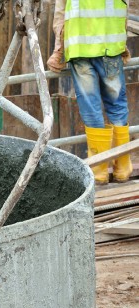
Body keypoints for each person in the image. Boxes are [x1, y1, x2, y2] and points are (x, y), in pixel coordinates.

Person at [47, 0, 131, 185]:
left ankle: (99, 171)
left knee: (91, 108)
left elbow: (61, 16)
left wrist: (58, 51)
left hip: (81, 51)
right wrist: (122, 46)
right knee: (117, 106)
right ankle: (123, 168)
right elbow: (123, 11)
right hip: (111, 49)